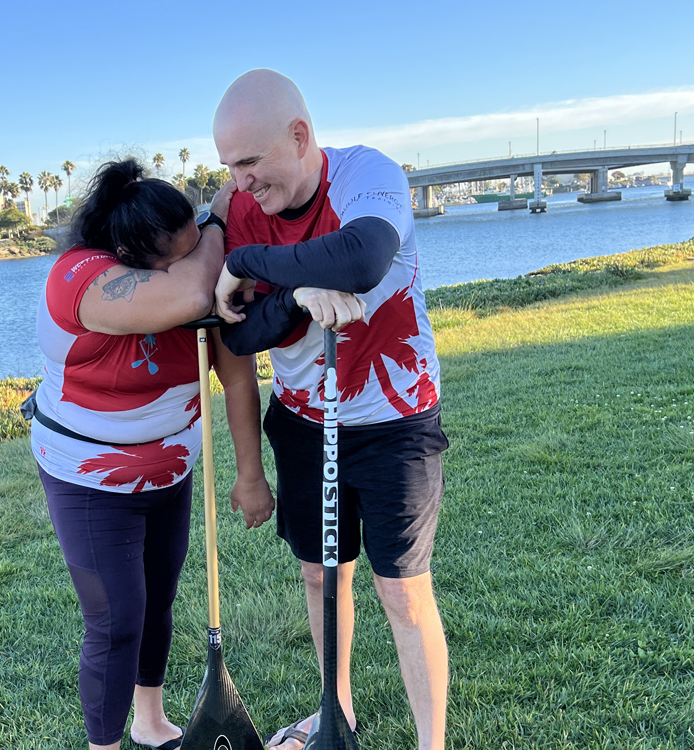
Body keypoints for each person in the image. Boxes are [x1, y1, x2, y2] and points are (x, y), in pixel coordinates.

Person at [212, 70, 450, 750]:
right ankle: (334, 716)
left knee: (403, 592)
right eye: (229, 167)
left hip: (395, 420)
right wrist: (293, 297)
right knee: (320, 574)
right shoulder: (240, 208)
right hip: (303, 422)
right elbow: (238, 332)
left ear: (300, 136)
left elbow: (364, 256)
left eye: (250, 162)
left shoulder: (365, 176)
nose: (241, 182)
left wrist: (256, 263)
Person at [30, 159, 274, 750]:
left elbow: (237, 380)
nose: (194, 263)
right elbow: (192, 288)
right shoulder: (79, 276)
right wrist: (216, 223)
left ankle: (150, 720)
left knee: (158, 597)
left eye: (196, 247)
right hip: (88, 476)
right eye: (176, 256)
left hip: (169, 470)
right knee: (117, 619)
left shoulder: (203, 274)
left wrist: (250, 474)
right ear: (131, 256)